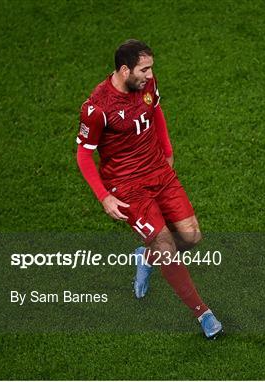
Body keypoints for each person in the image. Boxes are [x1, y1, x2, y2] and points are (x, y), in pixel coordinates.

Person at [75, 39, 222, 339]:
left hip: (158, 171)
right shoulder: (97, 108)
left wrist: (168, 151)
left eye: (151, 68)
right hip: (128, 187)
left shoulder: (146, 85)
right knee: (167, 248)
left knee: (192, 236)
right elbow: (83, 154)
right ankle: (203, 313)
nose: (150, 75)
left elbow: (156, 112)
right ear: (125, 69)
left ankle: (145, 256)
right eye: (144, 69)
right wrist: (104, 196)